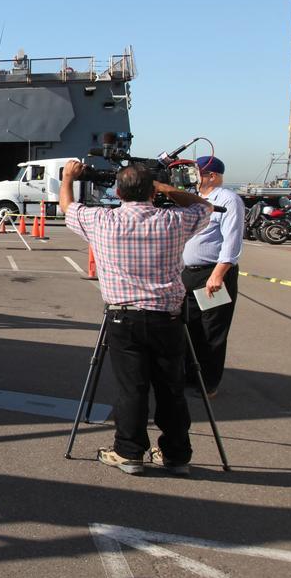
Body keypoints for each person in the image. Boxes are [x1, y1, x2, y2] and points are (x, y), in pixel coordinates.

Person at [60, 160, 212, 476]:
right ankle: (176, 454)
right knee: (171, 389)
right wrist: (166, 187)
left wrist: (67, 178)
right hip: (168, 318)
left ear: (118, 193)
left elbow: (67, 207)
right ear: (152, 193)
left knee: (132, 388)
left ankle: (129, 452)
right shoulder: (174, 221)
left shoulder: (101, 220)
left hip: (123, 317)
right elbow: (204, 207)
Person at [181, 156, 244, 399]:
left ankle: (208, 384)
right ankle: (190, 377)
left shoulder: (227, 200)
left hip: (212, 274)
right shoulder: (194, 199)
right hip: (189, 274)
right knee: (189, 328)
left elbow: (232, 241)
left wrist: (218, 275)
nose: (193, 177)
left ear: (212, 176)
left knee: (211, 330)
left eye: (197, 173)